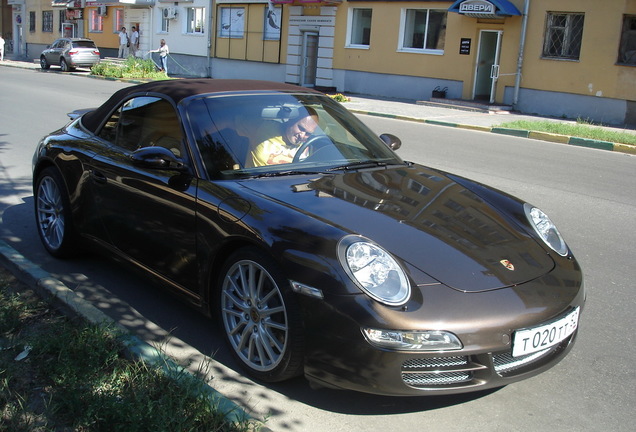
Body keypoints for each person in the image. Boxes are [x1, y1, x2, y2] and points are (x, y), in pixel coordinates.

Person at [250, 108, 319, 167]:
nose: (302, 136)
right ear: (291, 120)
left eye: (308, 133)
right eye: (301, 128)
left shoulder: (309, 144)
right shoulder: (264, 127)